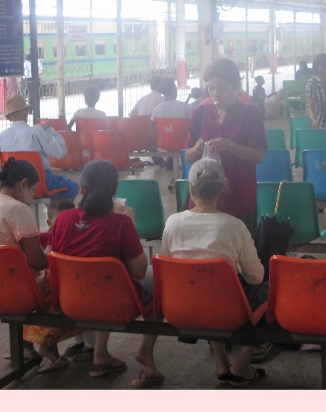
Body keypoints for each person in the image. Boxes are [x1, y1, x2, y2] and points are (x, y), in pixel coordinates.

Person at [45, 160, 161, 386]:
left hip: (70, 301)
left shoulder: (63, 220)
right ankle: (145, 353)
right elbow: (138, 272)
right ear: (115, 190)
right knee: (158, 278)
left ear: (81, 188)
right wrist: (131, 225)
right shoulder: (121, 223)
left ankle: (101, 353)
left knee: (94, 279)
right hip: (117, 305)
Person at [0, 158, 83, 373]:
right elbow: (37, 261)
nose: (33, 196)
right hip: (14, 291)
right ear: (23, 184)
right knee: (67, 282)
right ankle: (50, 349)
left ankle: (26, 347)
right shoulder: (18, 209)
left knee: (24, 273)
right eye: (33, 190)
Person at [161, 157, 267, 383]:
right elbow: (256, 277)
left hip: (181, 307)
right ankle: (241, 364)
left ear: (190, 188)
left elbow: (165, 266)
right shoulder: (234, 225)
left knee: (203, 284)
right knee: (269, 293)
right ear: (224, 188)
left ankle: (221, 362)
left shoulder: (172, 223)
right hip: (227, 311)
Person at [184, 57, 266, 229]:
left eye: (222, 88)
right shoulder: (199, 115)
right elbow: (189, 156)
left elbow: (258, 156)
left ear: (236, 88)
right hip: (203, 201)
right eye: (210, 88)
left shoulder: (251, 115)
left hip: (239, 196)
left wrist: (230, 145)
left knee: (239, 251)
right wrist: (197, 148)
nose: (215, 93)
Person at [0, 93, 77, 200]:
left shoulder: (1, 137)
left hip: (14, 184)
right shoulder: (37, 131)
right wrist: (49, 129)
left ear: (9, 117)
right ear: (26, 112)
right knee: (73, 186)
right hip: (41, 181)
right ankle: (57, 212)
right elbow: (60, 152)